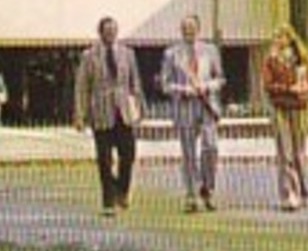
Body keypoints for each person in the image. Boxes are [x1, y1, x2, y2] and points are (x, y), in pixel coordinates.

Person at [73, 16, 144, 216]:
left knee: (128, 155)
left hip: (124, 112)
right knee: (104, 159)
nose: (110, 33)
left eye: (114, 29)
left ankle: (121, 189)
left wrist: (140, 108)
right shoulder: (89, 56)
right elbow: (82, 86)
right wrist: (80, 113)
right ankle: (108, 201)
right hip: (101, 112)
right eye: (107, 30)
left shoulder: (127, 53)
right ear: (100, 32)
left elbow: (135, 83)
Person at [160, 14, 225, 212]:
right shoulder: (172, 54)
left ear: (198, 28)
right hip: (185, 106)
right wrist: (181, 90)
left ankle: (208, 188)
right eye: (185, 27)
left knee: (211, 148)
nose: (189, 30)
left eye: (192, 27)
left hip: (206, 106)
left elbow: (220, 78)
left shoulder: (210, 50)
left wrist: (207, 86)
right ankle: (191, 195)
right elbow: (165, 84)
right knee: (188, 153)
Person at [262, 24, 308, 211]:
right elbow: (268, 85)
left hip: (300, 107)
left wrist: (307, 87)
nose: (278, 41)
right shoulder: (271, 60)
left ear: (290, 38)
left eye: (282, 37)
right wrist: (287, 89)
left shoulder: (302, 58)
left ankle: (302, 188)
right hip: (280, 107)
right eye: (276, 38)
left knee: (298, 151)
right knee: (284, 151)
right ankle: (288, 193)